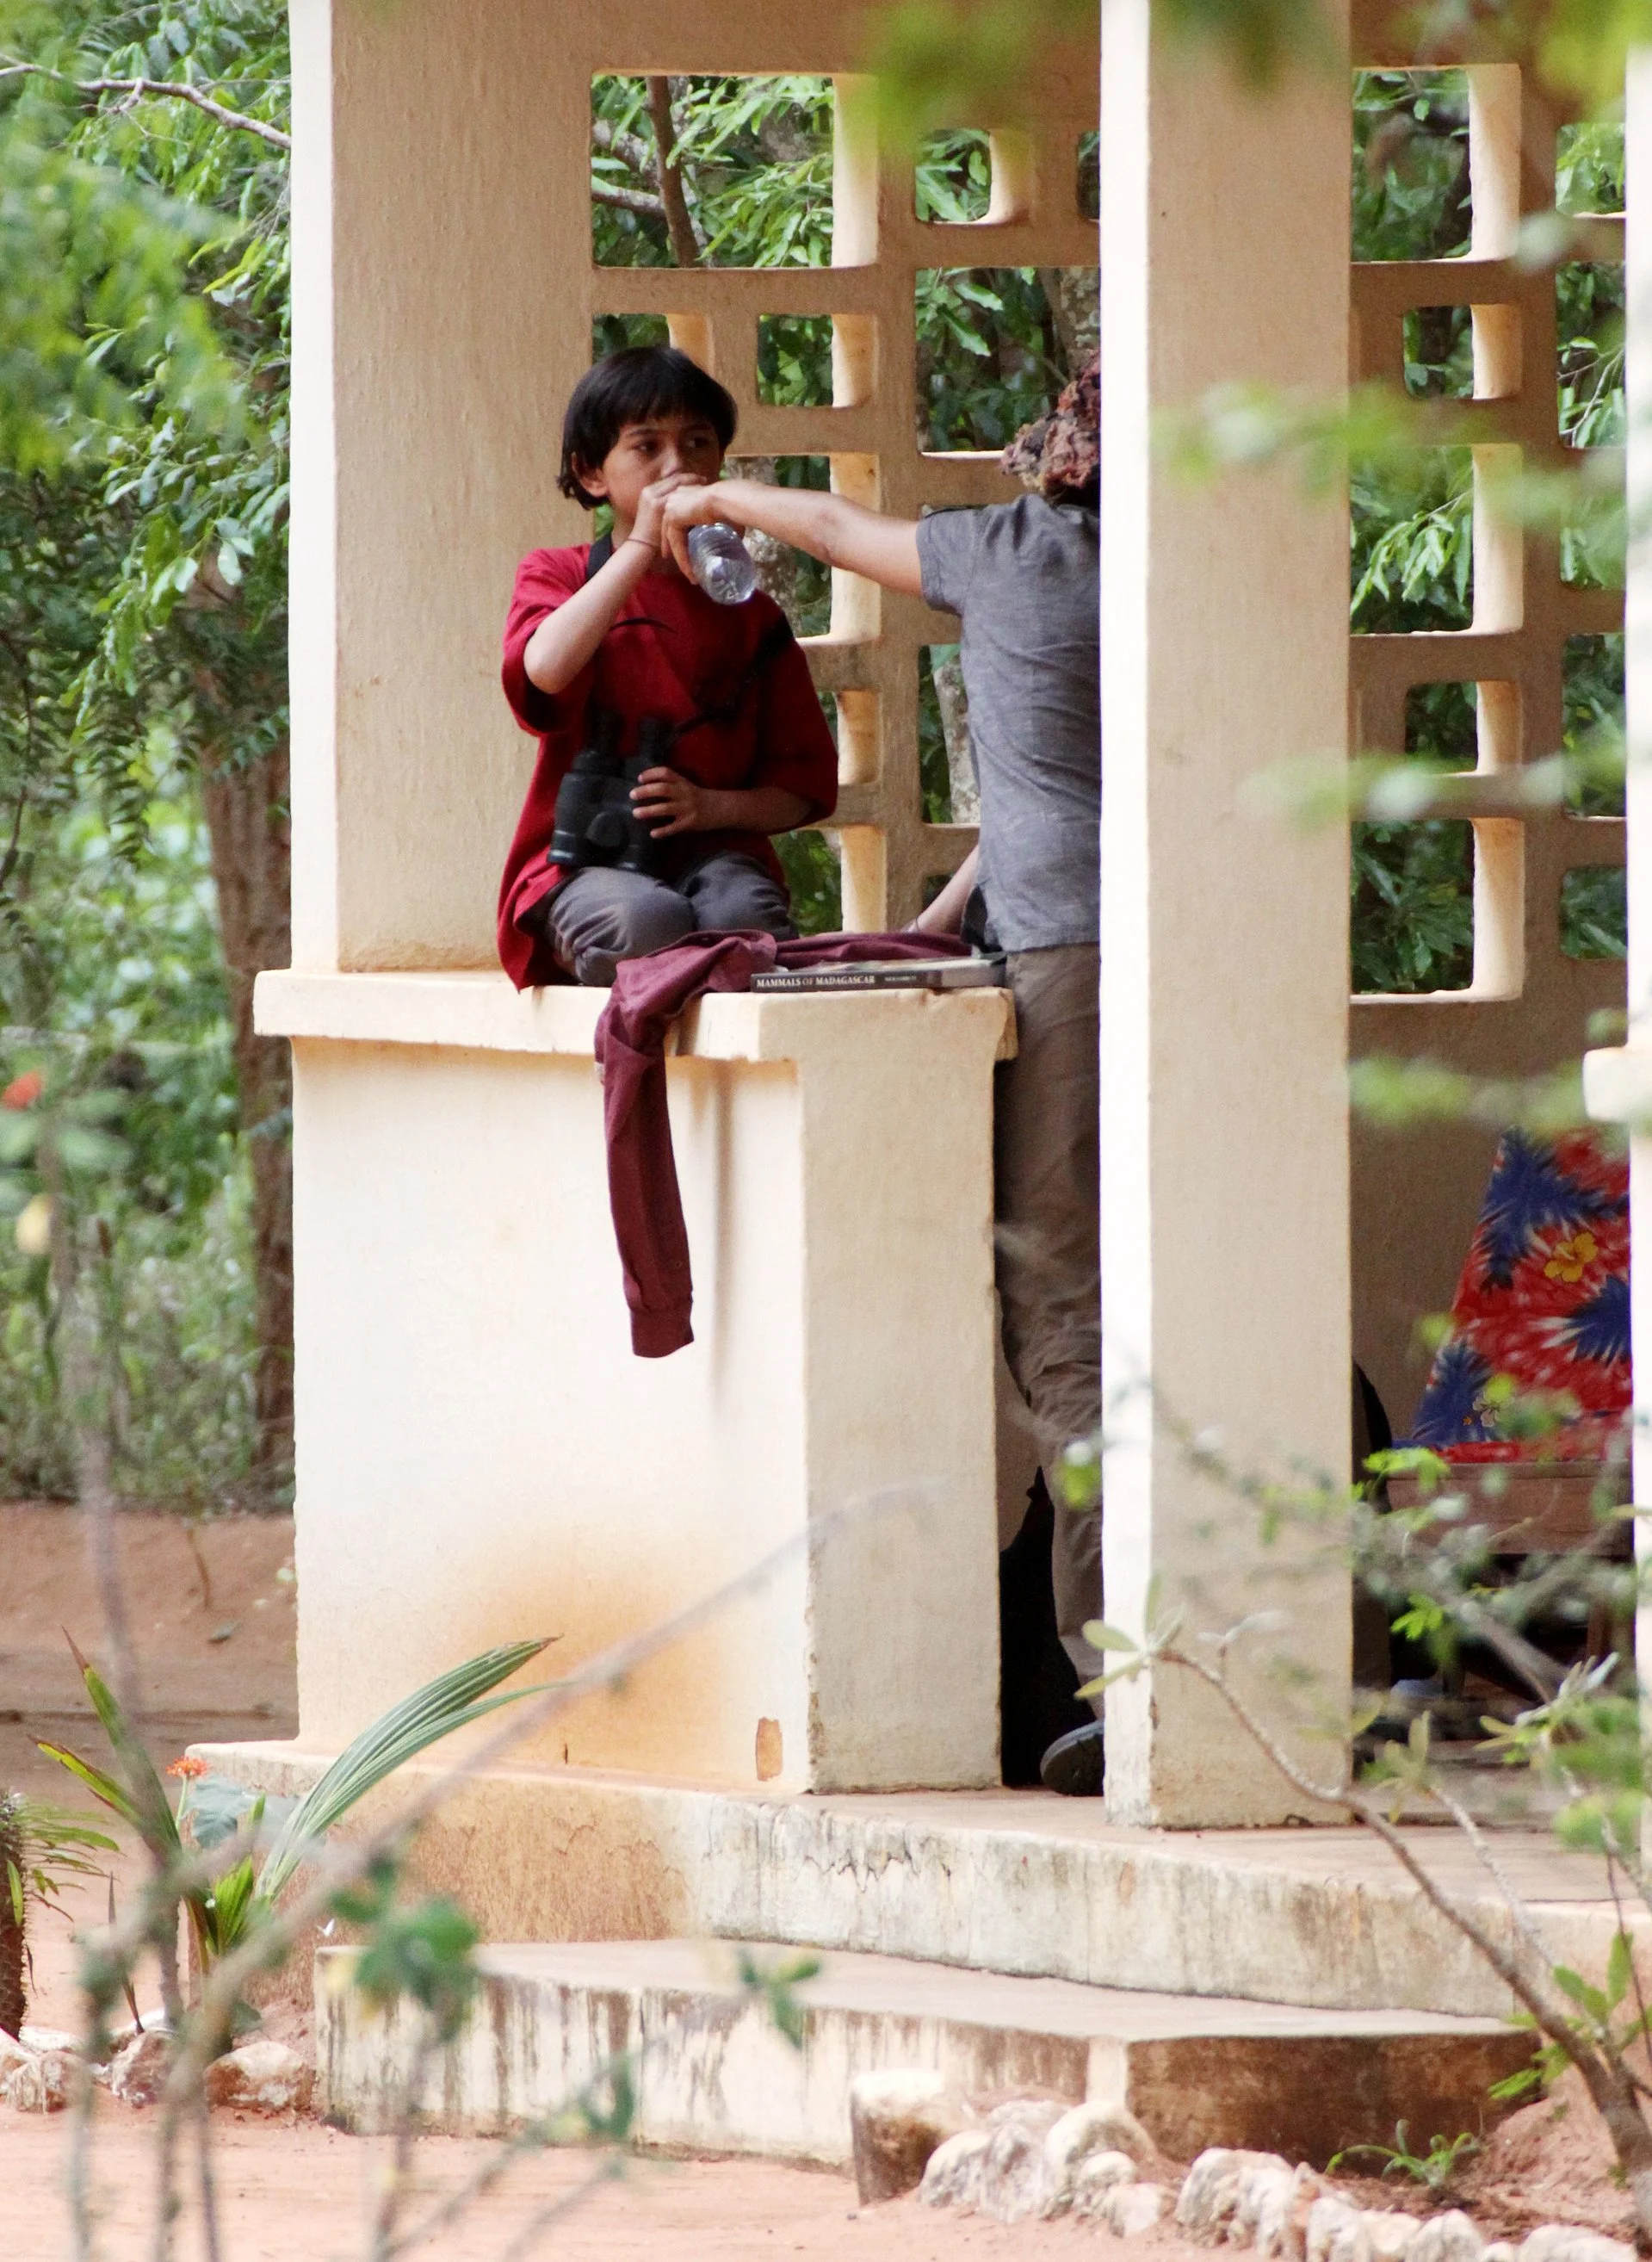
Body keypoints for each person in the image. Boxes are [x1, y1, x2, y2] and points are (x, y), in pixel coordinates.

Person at [660, 356, 1104, 1794]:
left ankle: (1127, 1676)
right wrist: (940, 916)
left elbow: (840, 530)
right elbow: (1073, 786)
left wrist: (717, 494)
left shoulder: (1011, 553)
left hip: (1069, 970)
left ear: (1062, 450)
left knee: (1062, 1315)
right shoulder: (1213, 574)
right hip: (1211, 965)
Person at [498, 346, 839, 988]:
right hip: (583, 868)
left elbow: (801, 788)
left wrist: (709, 808)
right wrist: (641, 546)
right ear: (591, 472)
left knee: (747, 929)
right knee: (648, 922)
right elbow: (542, 670)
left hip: (717, 858)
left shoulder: (750, 614)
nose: (676, 466)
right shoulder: (560, 575)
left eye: (697, 443)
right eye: (646, 447)